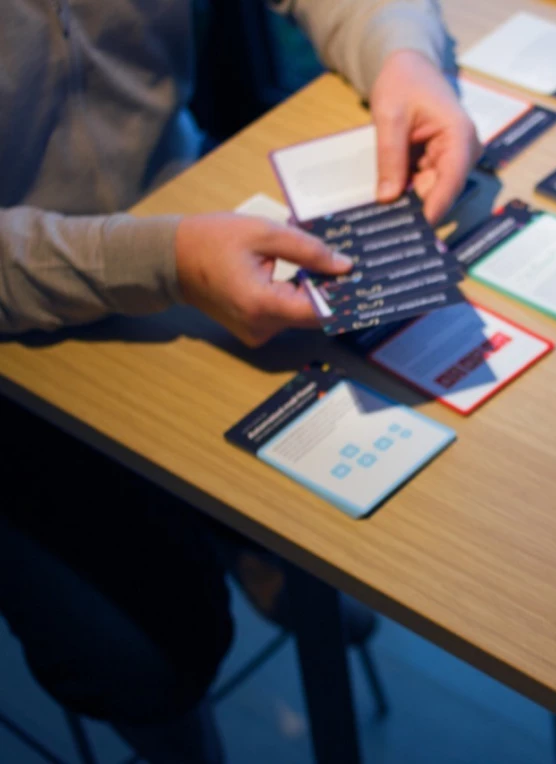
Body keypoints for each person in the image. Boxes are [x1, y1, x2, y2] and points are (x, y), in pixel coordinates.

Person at [0, 2, 478, 762]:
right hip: (24, 348)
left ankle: (237, 539)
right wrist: (162, 262)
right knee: (149, 661)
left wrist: (404, 54)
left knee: (431, 497)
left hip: (197, 216)